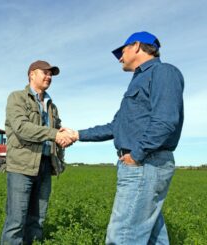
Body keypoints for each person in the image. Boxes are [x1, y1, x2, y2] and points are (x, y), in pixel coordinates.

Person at [68, 31, 184, 244]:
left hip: (144, 164)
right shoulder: (138, 81)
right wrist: (77, 135)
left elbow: (165, 121)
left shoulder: (163, 72)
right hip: (142, 165)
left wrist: (136, 155)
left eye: (122, 51)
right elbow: (116, 126)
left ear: (137, 46)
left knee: (122, 236)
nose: (120, 58)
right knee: (153, 237)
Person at [1, 60, 74, 244]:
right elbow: (21, 128)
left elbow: (56, 133)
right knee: (16, 221)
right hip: (21, 167)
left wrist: (65, 141)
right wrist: (55, 134)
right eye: (45, 72)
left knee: (37, 221)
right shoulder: (17, 98)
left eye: (51, 74)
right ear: (32, 74)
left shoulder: (52, 106)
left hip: (45, 166)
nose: (49, 77)